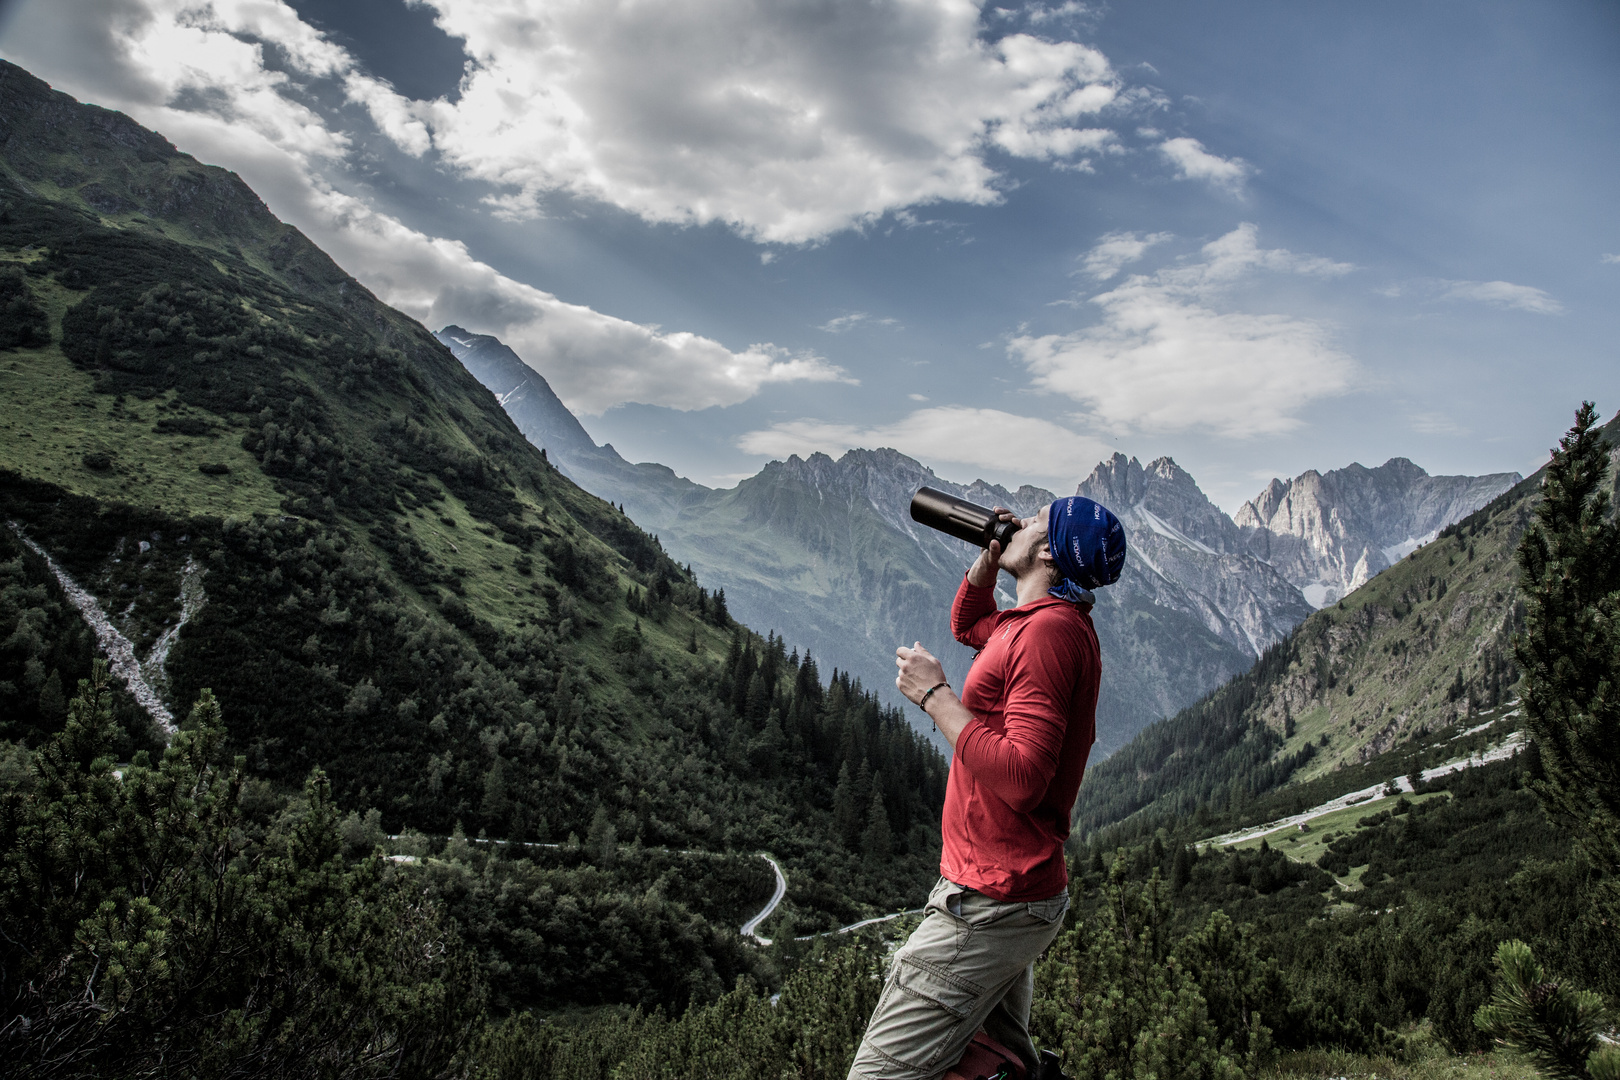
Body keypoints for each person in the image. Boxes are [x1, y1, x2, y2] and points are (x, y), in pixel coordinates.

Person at [846, 495, 1126, 1080]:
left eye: (1035, 521)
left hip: (990, 901)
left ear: (1049, 553)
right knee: (989, 1064)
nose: (1019, 520)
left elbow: (1024, 778)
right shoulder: (1035, 621)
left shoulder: (1047, 636)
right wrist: (985, 564)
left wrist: (934, 697)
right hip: (1005, 891)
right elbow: (968, 625)